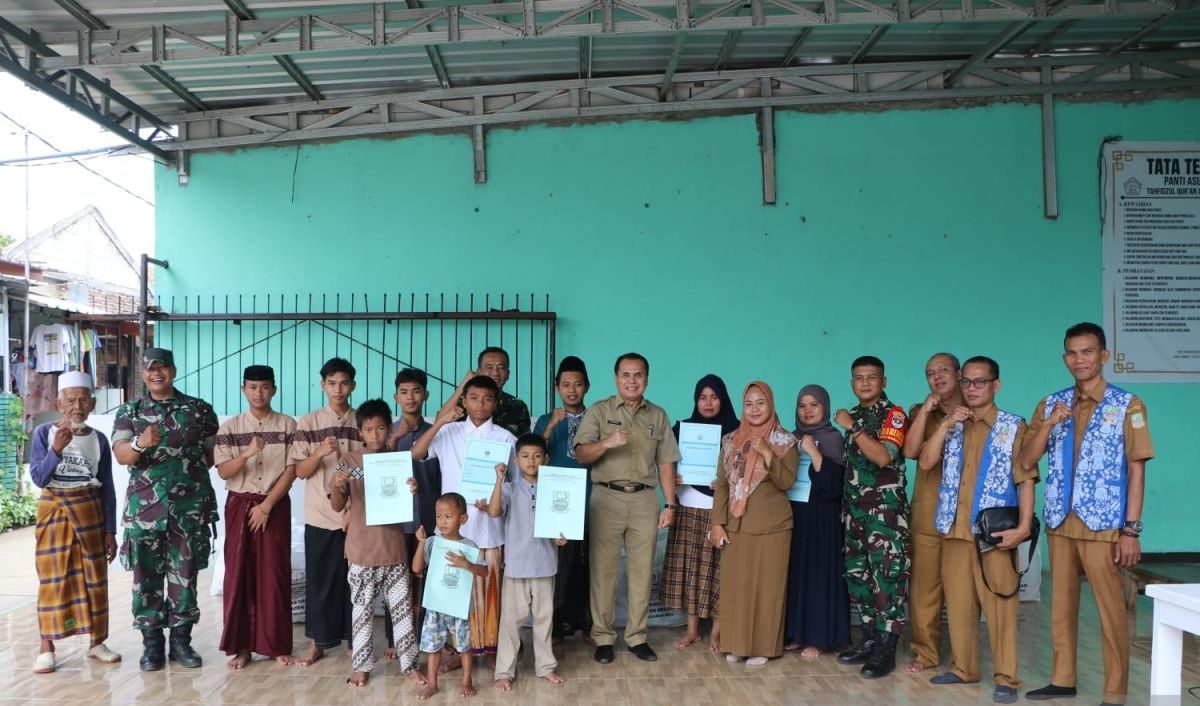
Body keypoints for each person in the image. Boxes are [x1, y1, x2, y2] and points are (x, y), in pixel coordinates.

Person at [1019, 323, 1152, 706]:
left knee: (1111, 612)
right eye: (1072, 353)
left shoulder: (1129, 405)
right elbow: (1027, 460)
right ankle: (1063, 679)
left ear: (1104, 356)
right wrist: (1048, 425)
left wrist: (1131, 530)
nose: (1080, 360)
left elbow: (1137, 470)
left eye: (1088, 352)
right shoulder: (1050, 404)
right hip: (1062, 522)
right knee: (1061, 605)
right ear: (1065, 358)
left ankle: (1115, 693)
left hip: (1105, 525)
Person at [918, 356, 1037, 705]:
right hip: (954, 531)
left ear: (995, 385)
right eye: (967, 382)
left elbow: (1026, 479)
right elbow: (925, 462)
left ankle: (1006, 678)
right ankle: (963, 668)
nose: (972, 388)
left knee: (1001, 607)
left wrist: (1024, 528)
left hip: (994, 536)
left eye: (979, 382)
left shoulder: (1013, 426)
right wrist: (943, 426)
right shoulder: (954, 424)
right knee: (958, 606)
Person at [112, 347, 219, 671]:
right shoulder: (130, 411)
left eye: (163, 368)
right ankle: (152, 646)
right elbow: (121, 455)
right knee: (145, 578)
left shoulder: (198, 410)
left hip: (188, 511)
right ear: (144, 373)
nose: (157, 373)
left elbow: (212, 455)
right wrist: (139, 444)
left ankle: (182, 644)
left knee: (185, 577)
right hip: (144, 514)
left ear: (173, 370)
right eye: (150, 369)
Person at [574, 352, 680, 664]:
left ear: (646, 379)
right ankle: (604, 637)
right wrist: (606, 443)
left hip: (646, 499)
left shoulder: (657, 416)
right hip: (606, 497)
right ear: (616, 378)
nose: (632, 381)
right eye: (626, 375)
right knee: (603, 572)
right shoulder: (599, 411)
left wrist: (670, 503)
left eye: (638, 375)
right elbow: (581, 454)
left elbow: (665, 463)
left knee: (641, 572)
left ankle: (637, 637)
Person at [412, 374, 517, 661]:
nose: (480, 404)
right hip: (452, 534)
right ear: (463, 401)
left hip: (488, 529)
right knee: (454, 596)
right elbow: (417, 453)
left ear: (496, 403)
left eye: (487, 399)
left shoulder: (506, 439)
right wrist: (440, 422)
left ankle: (492, 652)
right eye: (473, 398)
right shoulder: (449, 433)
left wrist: (497, 502)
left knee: (488, 593)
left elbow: (513, 484)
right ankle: (458, 656)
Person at [29, 370, 120, 673]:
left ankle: (96, 642)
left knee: (94, 579)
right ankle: (46, 646)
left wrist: (110, 530)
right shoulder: (44, 434)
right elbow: (39, 478)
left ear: (93, 403)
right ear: (59, 402)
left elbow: (107, 486)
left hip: (90, 512)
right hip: (55, 513)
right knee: (52, 581)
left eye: (83, 400)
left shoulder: (100, 440)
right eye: (70, 400)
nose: (76, 406)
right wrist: (56, 449)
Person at [329, 399, 423, 688]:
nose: (375, 434)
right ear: (360, 432)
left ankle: (410, 666)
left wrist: (412, 489)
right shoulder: (349, 462)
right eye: (369, 429)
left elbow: (406, 500)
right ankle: (362, 666)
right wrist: (337, 485)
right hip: (360, 550)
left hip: (394, 548)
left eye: (381, 428)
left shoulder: (397, 460)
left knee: (403, 611)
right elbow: (337, 505)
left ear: (388, 428)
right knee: (362, 611)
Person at [214, 365, 297, 669]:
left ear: (273, 389)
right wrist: (247, 453)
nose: (258, 393)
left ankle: (276, 645)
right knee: (239, 574)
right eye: (252, 387)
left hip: (274, 505)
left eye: (264, 387)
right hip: (239, 504)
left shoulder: (288, 425)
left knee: (274, 575)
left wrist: (266, 506)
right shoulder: (231, 428)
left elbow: (293, 470)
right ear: (243, 390)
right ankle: (242, 647)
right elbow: (224, 471)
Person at [711, 381, 799, 666]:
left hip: (773, 526)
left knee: (767, 588)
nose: (754, 409)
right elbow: (723, 485)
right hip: (736, 524)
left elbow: (787, 481)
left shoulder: (786, 441)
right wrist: (717, 523)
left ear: (771, 404)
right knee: (737, 587)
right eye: (749, 403)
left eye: (760, 402)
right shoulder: (730, 440)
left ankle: (764, 647)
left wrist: (767, 452)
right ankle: (736, 644)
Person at [834, 355, 909, 679]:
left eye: (871, 377)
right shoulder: (853, 415)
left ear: (884, 382)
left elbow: (881, 456)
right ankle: (868, 639)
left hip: (885, 517)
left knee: (886, 581)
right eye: (859, 377)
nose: (865, 383)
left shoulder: (892, 415)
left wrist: (853, 427)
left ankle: (886, 649)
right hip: (855, 515)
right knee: (860, 579)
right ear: (852, 382)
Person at [290, 357, 363, 666]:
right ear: (322, 386)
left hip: (356, 515)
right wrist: (320, 451)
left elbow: (369, 466)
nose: (338, 389)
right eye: (332, 383)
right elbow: (301, 471)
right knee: (320, 581)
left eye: (344, 383)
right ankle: (318, 642)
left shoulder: (362, 421)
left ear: (353, 386)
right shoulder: (308, 423)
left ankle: (352, 640)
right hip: (320, 513)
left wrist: (354, 509)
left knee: (354, 581)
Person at [660, 373, 738, 652]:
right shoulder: (682, 429)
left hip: (720, 511)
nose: (708, 403)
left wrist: (728, 481)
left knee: (718, 571)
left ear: (723, 400)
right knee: (692, 569)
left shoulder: (736, 432)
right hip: (688, 506)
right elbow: (664, 462)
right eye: (702, 397)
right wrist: (674, 477)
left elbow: (746, 473)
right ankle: (692, 630)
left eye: (714, 397)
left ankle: (717, 631)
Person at [483, 434, 568, 689]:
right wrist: (499, 480)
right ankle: (504, 672)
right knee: (511, 622)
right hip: (516, 566)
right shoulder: (509, 488)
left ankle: (545, 667)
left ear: (546, 459)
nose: (531, 461)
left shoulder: (555, 490)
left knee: (544, 620)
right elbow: (495, 511)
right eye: (525, 456)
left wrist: (562, 537)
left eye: (537, 455)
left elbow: (561, 525)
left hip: (545, 564)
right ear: (516, 460)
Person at [902, 352, 963, 674]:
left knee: (962, 589)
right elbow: (911, 451)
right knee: (924, 589)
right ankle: (925, 652)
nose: (937, 377)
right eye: (930, 373)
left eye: (943, 370)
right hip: (929, 512)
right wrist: (926, 411)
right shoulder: (921, 412)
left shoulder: (976, 409)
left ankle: (963, 656)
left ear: (959, 373)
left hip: (966, 516)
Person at [783, 384, 850, 660]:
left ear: (825, 407)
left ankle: (819, 638)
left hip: (822, 519)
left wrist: (814, 453)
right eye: (802, 405)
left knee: (819, 577)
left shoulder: (834, 439)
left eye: (814, 405)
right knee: (797, 576)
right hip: (796, 515)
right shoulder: (788, 439)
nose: (808, 411)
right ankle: (797, 633)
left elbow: (835, 487)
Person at [532, 356, 593, 641]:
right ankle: (554, 624)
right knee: (557, 566)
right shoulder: (547, 419)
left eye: (578, 384)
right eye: (566, 384)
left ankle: (584, 622)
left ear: (587, 387)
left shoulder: (596, 417)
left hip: (590, 500)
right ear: (557, 387)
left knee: (586, 563)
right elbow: (532, 456)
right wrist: (550, 427)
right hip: (555, 505)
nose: (572, 390)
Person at [412, 493, 488, 701]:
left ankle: (466, 680)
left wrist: (467, 565)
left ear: (463, 519)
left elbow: (484, 572)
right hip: (436, 605)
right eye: (439, 516)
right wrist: (420, 543)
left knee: (464, 646)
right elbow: (417, 568)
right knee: (433, 646)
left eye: (448, 516)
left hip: (459, 607)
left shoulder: (470, 546)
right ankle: (433, 683)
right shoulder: (432, 543)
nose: (442, 521)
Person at [384, 367, 435, 658]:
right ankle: (395, 639)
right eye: (404, 392)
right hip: (396, 522)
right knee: (397, 581)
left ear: (425, 394)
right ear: (396, 396)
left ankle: (427, 635)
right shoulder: (387, 431)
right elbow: (376, 471)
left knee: (427, 581)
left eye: (416, 391)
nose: (410, 397)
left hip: (428, 518)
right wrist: (393, 440)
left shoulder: (435, 432)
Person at [477, 347, 531, 436]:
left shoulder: (518, 406)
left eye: (501, 367)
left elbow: (524, 443)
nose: (495, 373)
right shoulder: (465, 403)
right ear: (479, 372)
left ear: (508, 374)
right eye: (489, 367)